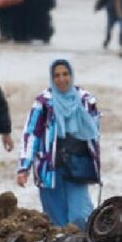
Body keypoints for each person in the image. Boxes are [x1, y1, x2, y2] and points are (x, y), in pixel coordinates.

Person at [17, 59, 100, 229]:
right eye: (57, 75)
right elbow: (31, 134)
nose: (62, 79)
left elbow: (94, 132)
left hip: (78, 167)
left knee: (80, 215)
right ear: (51, 78)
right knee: (57, 221)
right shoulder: (44, 103)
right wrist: (24, 167)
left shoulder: (85, 100)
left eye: (65, 74)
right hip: (49, 169)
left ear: (72, 75)